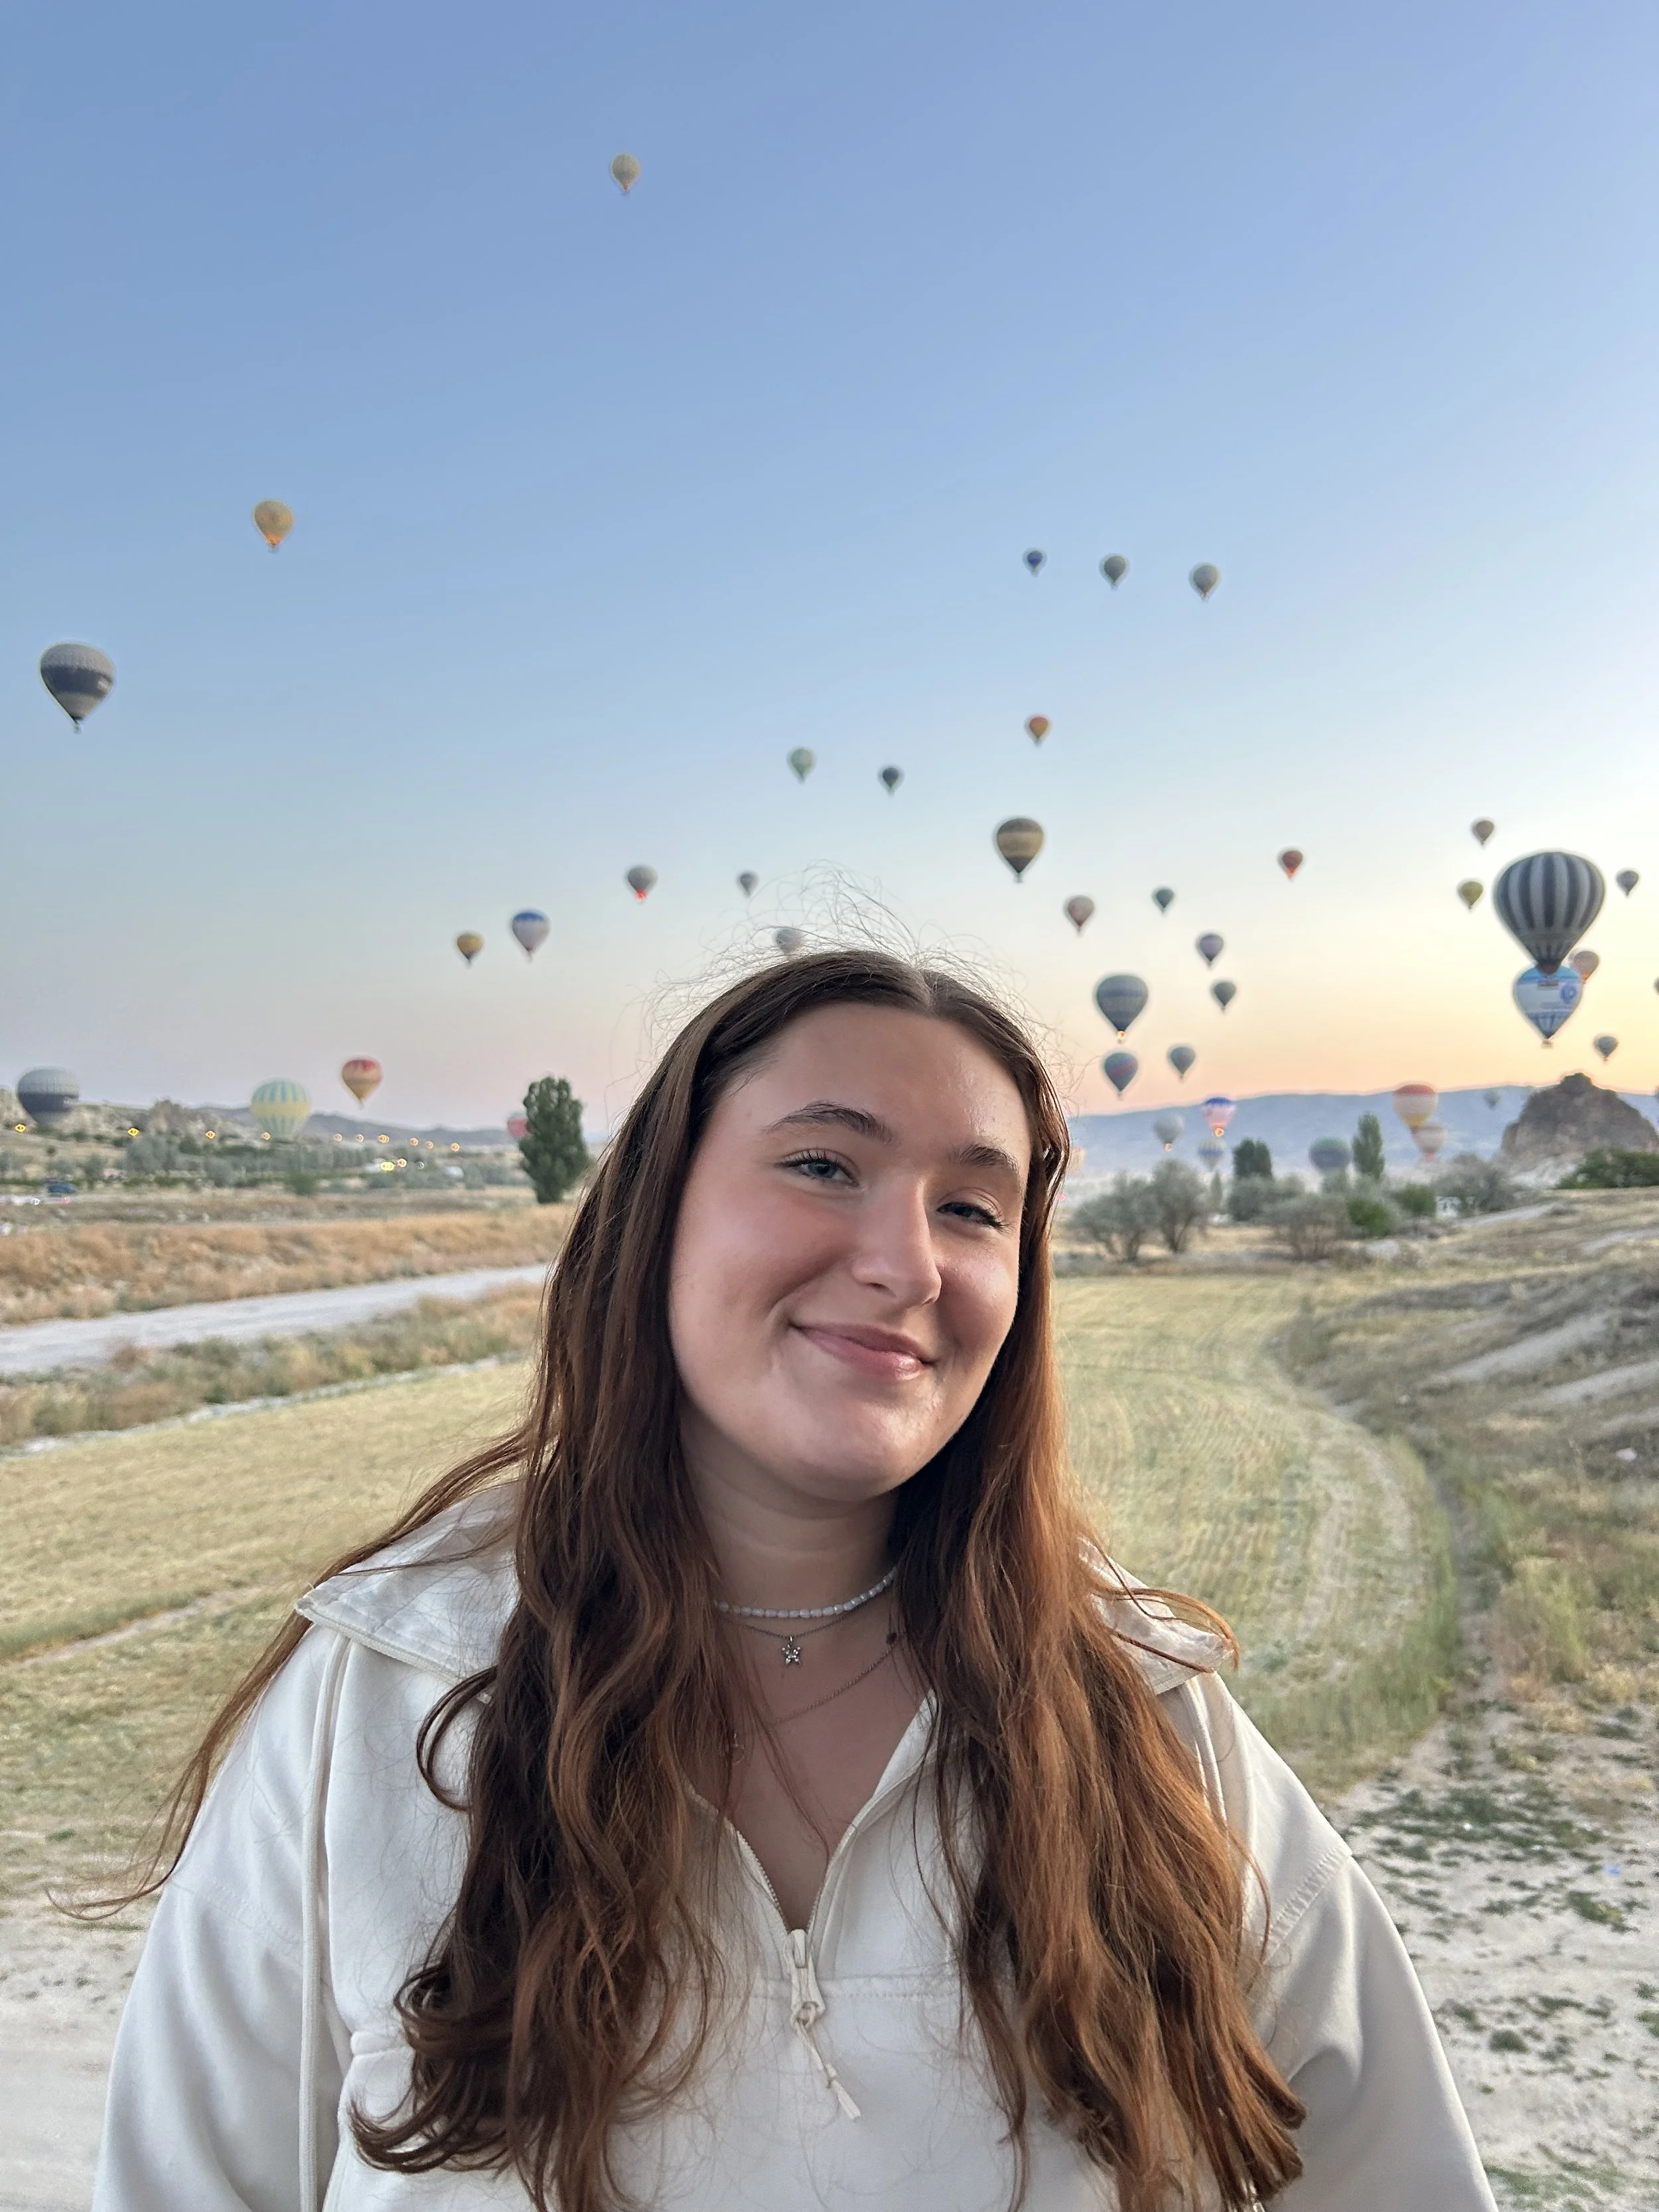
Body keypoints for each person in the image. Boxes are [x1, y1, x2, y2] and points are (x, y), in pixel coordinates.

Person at [94, 950, 1497, 2212]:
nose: (904, 1262)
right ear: (656, 1211)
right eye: (823, 1165)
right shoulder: (383, 1689)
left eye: (969, 1207)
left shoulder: (1146, 1718)